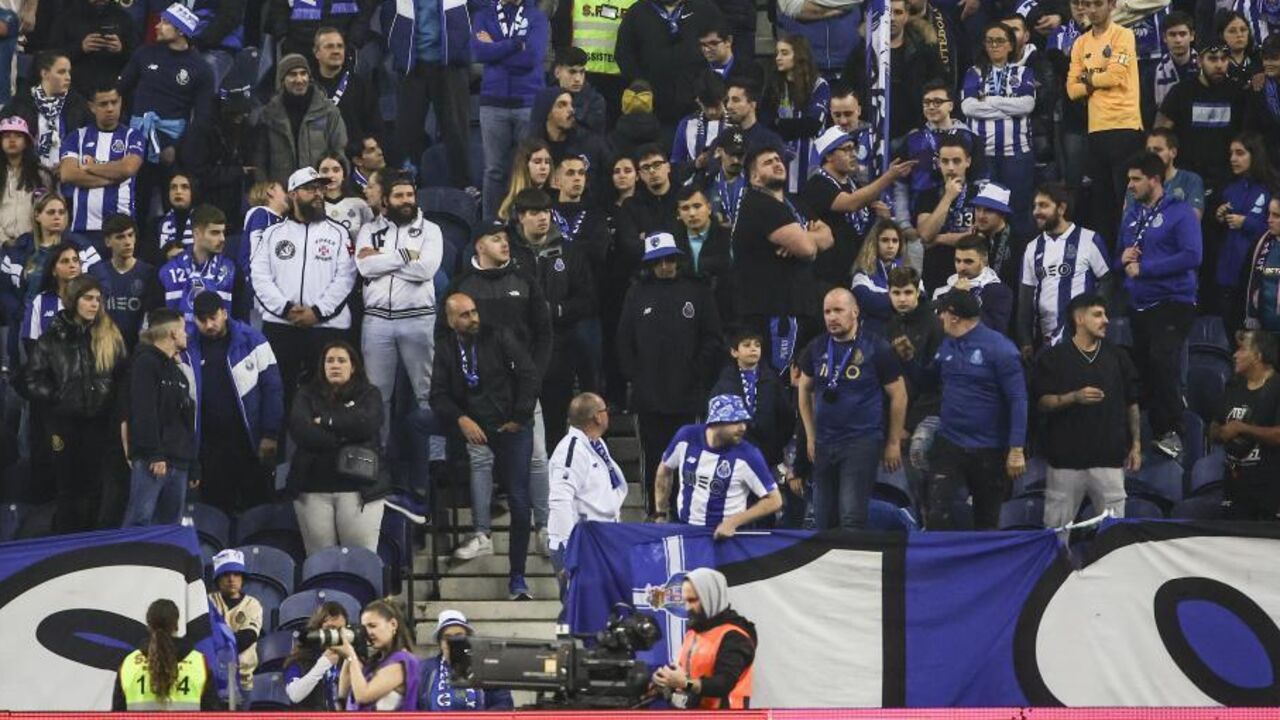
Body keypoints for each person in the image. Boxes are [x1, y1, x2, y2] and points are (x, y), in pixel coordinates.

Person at [429, 292, 539, 598]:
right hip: (477, 427)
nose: (473, 318)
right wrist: (462, 419)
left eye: (474, 311)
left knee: (519, 501)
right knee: (423, 426)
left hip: (511, 425)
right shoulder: (446, 348)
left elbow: (529, 374)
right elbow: (437, 394)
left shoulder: (499, 336)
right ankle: (480, 532)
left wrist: (519, 416)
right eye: (464, 315)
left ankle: (517, 576)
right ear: (450, 320)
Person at [617, 234, 723, 517]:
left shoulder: (697, 291)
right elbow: (624, 340)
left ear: (677, 259)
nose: (665, 266)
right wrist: (635, 376)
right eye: (658, 261)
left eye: (669, 260)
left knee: (691, 456)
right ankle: (655, 512)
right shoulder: (637, 293)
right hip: (649, 395)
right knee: (654, 457)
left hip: (687, 393)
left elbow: (712, 337)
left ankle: (688, 513)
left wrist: (697, 371)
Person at [18, 274, 127, 532]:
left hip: (100, 424)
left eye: (98, 299)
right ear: (73, 300)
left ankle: (91, 542)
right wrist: (56, 395)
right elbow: (28, 380)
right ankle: (65, 540)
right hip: (63, 424)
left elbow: (124, 376)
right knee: (67, 488)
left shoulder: (110, 335)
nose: (94, 304)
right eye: (88, 298)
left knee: (96, 487)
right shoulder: (51, 338)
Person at [797, 288, 907, 530]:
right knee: (823, 519)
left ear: (855, 312)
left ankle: (851, 556)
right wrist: (810, 435)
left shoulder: (877, 347)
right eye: (827, 312)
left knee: (851, 517)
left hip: (861, 440)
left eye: (838, 310)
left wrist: (893, 442)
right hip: (825, 442)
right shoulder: (816, 347)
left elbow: (899, 395)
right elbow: (804, 389)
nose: (832, 317)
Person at [251, 167, 357, 415]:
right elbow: (259, 276)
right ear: (293, 194)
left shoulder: (339, 233)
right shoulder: (272, 234)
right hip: (281, 326)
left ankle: (324, 440)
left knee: (327, 396)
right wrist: (285, 309)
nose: (318, 194)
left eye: (320, 188)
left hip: (326, 327)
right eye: (310, 189)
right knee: (278, 393)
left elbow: (346, 277)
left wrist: (317, 312)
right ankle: (276, 439)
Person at [1118, 151, 1202, 459]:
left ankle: (1174, 432)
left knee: (1162, 360)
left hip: (1173, 301)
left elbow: (1193, 256)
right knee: (1142, 369)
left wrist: (1146, 269)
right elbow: (1121, 258)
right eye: (1129, 179)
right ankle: (1149, 435)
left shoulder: (1180, 213)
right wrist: (1122, 259)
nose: (1130, 185)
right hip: (1139, 305)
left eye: (1136, 179)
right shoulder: (1132, 215)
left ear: (1154, 180)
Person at [923, 290, 1028, 530]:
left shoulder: (1001, 349)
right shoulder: (946, 344)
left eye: (942, 312)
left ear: (954, 317)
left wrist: (1016, 448)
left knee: (986, 520)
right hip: (950, 442)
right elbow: (926, 383)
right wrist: (908, 361)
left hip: (989, 448)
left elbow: (1018, 399)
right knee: (938, 512)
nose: (939, 317)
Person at [1035, 293, 1142, 528]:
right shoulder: (1054, 358)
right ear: (1079, 319)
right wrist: (1073, 397)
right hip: (1065, 462)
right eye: (1098, 315)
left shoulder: (1119, 356)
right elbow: (1042, 402)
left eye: (1105, 315)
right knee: (1056, 533)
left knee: (1114, 535)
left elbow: (1132, 403)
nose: (1106, 320)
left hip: (1109, 460)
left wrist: (1135, 444)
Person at [355, 172, 444, 442]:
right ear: (385, 200)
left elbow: (425, 270)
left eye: (410, 195)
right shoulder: (368, 230)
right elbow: (364, 267)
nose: (406, 201)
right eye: (399, 196)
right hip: (377, 321)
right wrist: (405, 256)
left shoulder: (431, 230)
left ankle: (436, 459)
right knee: (376, 395)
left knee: (428, 392)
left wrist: (381, 260)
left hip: (419, 319)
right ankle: (375, 454)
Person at [731, 145, 832, 372]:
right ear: (755, 177)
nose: (777, 163)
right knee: (779, 378)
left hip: (798, 307)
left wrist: (801, 237)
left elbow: (829, 237)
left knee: (800, 377)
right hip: (773, 312)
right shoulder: (760, 204)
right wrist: (806, 239)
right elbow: (808, 250)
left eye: (778, 159)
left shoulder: (793, 203)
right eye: (768, 162)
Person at [508, 188, 595, 449]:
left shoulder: (570, 252)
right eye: (535, 212)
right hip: (517, 350)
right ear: (520, 216)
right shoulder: (508, 251)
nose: (543, 218)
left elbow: (587, 300)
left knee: (555, 423)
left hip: (559, 350)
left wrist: (555, 310)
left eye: (546, 211)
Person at [186, 292, 284, 515]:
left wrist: (270, 434)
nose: (209, 325)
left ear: (224, 313)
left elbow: (273, 389)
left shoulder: (252, 340)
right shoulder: (188, 346)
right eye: (202, 320)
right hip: (209, 446)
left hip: (249, 442)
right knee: (216, 511)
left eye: (213, 318)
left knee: (257, 509)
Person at [287, 341, 386, 555]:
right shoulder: (305, 394)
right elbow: (301, 431)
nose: (335, 365)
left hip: (359, 491)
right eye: (329, 360)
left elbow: (367, 424)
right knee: (319, 562)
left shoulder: (369, 394)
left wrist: (324, 421)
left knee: (359, 560)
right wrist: (347, 436)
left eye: (341, 360)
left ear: (353, 366)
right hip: (312, 490)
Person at [117, 4, 214, 214]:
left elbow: (202, 118)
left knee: (173, 207)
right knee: (135, 204)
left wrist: (177, 149)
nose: (157, 26)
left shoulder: (201, 69)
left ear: (181, 30)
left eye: (165, 22)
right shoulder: (144, 54)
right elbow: (119, 90)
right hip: (137, 140)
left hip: (172, 145)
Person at [1066, 0, 1143, 244]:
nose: (1091, 10)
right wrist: (1097, 78)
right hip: (1096, 130)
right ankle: (1106, 260)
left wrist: (1088, 78)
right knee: (1102, 204)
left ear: (1111, 5)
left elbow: (1115, 76)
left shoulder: (1123, 35)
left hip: (1125, 127)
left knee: (1127, 200)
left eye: (1098, 4)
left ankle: (1129, 255)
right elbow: (1072, 90)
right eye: (1087, 5)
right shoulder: (1080, 43)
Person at [654, 394, 783, 531]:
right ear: (716, 422)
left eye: (744, 421)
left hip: (725, 536)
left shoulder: (748, 454)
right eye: (735, 421)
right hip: (686, 529)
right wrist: (660, 513)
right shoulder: (686, 437)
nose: (743, 428)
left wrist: (733, 522)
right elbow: (664, 470)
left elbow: (774, 500)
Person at [803, 127, 909, 291]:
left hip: (855, 274)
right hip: (827, 277)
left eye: (854, 149)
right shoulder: (817, 184)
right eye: (846, 149)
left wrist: (883, 217)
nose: (853, 154)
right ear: (829, 156)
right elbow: (850, 203)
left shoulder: (855, 186)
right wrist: (888, 177)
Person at [472, 0, 549, 221]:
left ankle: (526, 222)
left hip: (528, 102)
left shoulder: (536, 17)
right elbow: (479, 52)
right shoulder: (483, 15)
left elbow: (532, 58)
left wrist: (495, 47)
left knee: (527, 169)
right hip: (492, 102)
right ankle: (491, 226)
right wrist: (515, 44)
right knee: (494, 170)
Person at [1018, 183, 1112, 354]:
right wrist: (1025, 340)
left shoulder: (1089, 240)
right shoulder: (1032, 248)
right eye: (1035, 206)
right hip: (1045, 341)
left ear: (1061, 208)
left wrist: (1094, 318)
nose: (1036, 212)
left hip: (1081, 338)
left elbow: (1107, 280)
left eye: (1043, 205)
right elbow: (1026, 296)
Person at [961, 21, 1037, 232]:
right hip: (983, 154)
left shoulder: (1024, 72)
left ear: (1010, 45)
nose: (994, 45)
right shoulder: (974, 73)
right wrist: (1009, 108)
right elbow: (968, 107)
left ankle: (1017, 251)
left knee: (1018, 211)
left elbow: (1027, 105)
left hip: (1017, 154)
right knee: (984, 212)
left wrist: (990, 100)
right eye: (990, 41)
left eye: (1000, 41)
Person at [124, 307, 196, 526]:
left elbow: (187, 420)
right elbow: (143, 411)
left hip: (179, 461)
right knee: (140, 522)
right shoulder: (145, 363)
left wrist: (193, 462)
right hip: (153, 461)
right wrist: (154, 454)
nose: (186, 334)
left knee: (170, 527)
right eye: (183, 329)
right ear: (173, 333)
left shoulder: (178, 371)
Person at [650, 567, 756, 709]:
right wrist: (667, 679)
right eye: (685, 601)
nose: (687, 607)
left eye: (693, 600)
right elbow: (685, 672)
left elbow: (723, 684)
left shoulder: (735, 636)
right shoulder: (695, 630)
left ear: (710, 596)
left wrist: (685, 683)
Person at [546, 393, 628, 576]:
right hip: (581, 544)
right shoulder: (571, 451)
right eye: (605, 410)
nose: (608, 414)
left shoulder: (596, 444)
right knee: (581, 596)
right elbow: (559, 500)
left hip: (600, 539)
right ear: (597, 417)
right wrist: (570, 549)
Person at [614, 0, 725, 129]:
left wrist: (706, 87)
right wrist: (641, 84)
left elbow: (722, 50)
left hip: (697, 107)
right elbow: (623, 53)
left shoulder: (706, 10)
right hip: (653, 110)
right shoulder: (638, 11)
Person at [1155, 41, 1244, 194]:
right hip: (1186, 179)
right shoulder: (1181, 92)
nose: (1219, 65)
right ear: (1199, 61)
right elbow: (1160, 134)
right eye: (1212, 59)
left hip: (1228, 179)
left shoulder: (1237, 92)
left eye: (1224, 59)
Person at [57, 84, 144, 241]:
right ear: (92, 107)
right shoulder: (77, 137)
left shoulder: (133, 136)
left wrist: (90, 167)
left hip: (122, 230)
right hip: (83, 230)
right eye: (103, 104)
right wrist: (114, 177)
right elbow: (68, 174)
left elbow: (128, 168)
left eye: (114, 102)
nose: (110, 108)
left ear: (121, 102)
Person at [1212, 330, 1280, 520]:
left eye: (1242, 349)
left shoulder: (1277, 388)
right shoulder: (1233, 386)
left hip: (1270, 490)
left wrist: (1242, 429)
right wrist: (1220, 432)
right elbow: (1214, 426)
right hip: (1234, 487)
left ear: (1258, 355)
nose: (1235, 355)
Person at [256, 54, 348, 185]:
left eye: (303, 73)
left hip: (320, 189)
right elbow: (260, 160)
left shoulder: (328, 111)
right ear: (282, 80)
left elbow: (339, 152)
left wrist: (334, 185)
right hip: (283, 192)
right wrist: (266, 189)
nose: (299, 79)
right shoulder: (269, 115)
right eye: (292, 74)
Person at [112, 599, 218, 710]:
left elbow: (117, 713)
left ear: (149, 626)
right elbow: (212, 711)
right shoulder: (199, 663)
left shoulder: (129, 664)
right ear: (176, 625)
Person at [710, 327, 792, 470]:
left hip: (767, 455)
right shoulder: (724, 384)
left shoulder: (772, 380)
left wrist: (775, 445)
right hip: (733, 455)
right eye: (747, 345)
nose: (753, 349)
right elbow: (715, 421)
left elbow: (786, 416)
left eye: (757, 345)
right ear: (734, 352)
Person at [1214, 133, 1274, 328]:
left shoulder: (1271, 188)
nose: (1233, 158)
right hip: (1228, 275)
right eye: (1231, 153)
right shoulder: (1230, 189)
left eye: (1240, 153)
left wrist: (1246, 223)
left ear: (1254, 155)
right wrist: (1220, 216)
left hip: (1258, 276)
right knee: (1232, 332)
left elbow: (1274, 229)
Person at [2, 52, 91, 175]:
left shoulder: (78, 105)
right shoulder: (19, 104)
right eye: (61, 72)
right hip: (28, 175)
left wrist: (72, 164)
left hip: (68, 175)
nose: (68, 77)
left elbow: (90, 141)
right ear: (44, 74)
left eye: (69, 72)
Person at [902, 81, 979, 217]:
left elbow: (979, 181)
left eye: (937, 102)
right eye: (927, 102)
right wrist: (904, 223)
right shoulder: (912, 140)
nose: (931, 107)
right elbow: (900, 185)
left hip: (962, 214)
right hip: (918, 214)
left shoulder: (970, 138)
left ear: (951, 105)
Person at [763, 34, 830, 193]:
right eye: (777, 53)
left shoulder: (818, 85)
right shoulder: (774, 85)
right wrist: (785, 125)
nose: (778, 58)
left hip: (810, 160)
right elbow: (766, 123)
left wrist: (780, 124)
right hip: (781, 159)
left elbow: (812, 125)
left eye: (785, 53)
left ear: (799, 55)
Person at [915, 136, 979, 294]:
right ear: (938, 163)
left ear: (968, 162)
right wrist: (948, 197)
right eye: (945, 161)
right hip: (936, 275)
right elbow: (925, 234)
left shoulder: (980, 194)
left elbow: (978, 237)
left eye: (956, 161)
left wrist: (938, 239)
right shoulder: (927, 195)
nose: (950, 168)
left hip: (971, 275)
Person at [418, 610, 513, 711]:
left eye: (458, 637)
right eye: (447, 638)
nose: (453, 643)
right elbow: (415, 707)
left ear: (468, 641)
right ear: (440, 643)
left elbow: (503, 704)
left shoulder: (486, 668)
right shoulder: (424, 668)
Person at [91, 214, 162, 348]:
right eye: (120, 237)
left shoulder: (149, 273)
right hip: (104, 348)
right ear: (107, 241)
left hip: (139, 348)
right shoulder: (96, 273)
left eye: (130, 235)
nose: (128, 242)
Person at [313, 28, 383, 159]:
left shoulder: (362, 86)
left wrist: (360, 149)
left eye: (340, 46)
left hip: (353, 158)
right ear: (317, 52)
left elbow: (375, 129)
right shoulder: (308, 88)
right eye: (329, 46)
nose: (336, 51)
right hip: (314, 158)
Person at [337, 599, 420, 711]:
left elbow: (363, 696)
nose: (368, 633)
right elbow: (343, 695)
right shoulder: (375, 662)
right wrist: (351, 649)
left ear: (393, 624)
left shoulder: (403, 661)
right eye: (364, 628)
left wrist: (351, 656)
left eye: (372, 626)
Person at [160, 204, 238, 321]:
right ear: (197, 234)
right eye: (215, 233)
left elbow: (241, 321)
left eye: (223, 232)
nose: (222, 238)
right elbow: (157, 320)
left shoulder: (232, 270)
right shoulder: (168, 270)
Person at [51, 0, 136, 104]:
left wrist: (121, 49)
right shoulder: (68, 16)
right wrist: (80, 48)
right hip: (76, 90)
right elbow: (52, 56)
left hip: (113, 92)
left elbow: (136, 58)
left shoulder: (123, 17)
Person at [931, 234, 1015, 334]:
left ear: (984, 260)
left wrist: (965, 298)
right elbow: (934, 329)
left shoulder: (998, 292)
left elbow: (995, 331)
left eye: (968, 262)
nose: (961, 267)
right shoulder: (943, 290)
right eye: (958, 261)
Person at [207, 548, 263, 693]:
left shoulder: (252, 604)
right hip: (211, 680)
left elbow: (248, 637)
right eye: (226, 574)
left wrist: (218, 644)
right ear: (218, 578)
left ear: (242, 578)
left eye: (236, 574)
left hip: (243, 681)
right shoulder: (207, 602)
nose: (231, 579)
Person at [283, 601, 349, 710]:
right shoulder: (299, 659)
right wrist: (323, 663)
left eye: (340, 630)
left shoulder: (347, 659)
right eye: (330, 628)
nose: (335, 635)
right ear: (317, 629)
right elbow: (295, 695)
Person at [0, 117, 52, 249]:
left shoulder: (41, 174)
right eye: (6, 136)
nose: (12, 140)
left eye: (18, 136)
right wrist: (4, 240)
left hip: (33, 245)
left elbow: (48, 209)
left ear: (26, 142)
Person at [851, 221, 907, 338]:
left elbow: (921, 301)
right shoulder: (862, 274)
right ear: (874, 242)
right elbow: (869, 302)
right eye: (885, 240)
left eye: (895, 241)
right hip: (870, 339)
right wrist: (903, 302)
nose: (890, 246)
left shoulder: (909, 272)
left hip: (903, 338)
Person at [1137, 128, 1205, 220]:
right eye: (1149, 151)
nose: (1152, 155)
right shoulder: (1138, 181)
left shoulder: (1190, 180)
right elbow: (1129, 222)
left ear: (1173, 152)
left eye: (1158, 150)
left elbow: (1193, 219)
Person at [969, 181, 1026, 287]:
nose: (980, 216)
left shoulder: (1018, 243)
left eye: (988, 210)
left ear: (1002, 213)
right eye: (978, 209)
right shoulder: (974, 238)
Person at [317, 153, 374, 238]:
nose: (330, 175)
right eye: (325, 171)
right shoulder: (314, 206)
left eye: (336, 170)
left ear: (344, 174)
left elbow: (371, 234)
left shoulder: (360, 204)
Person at [722, 80, 785, 157]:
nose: (729, 106)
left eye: (736, 100)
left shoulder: (770, 142)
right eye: (728, 100)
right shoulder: (723, 138)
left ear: (752, 105)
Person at [496, 139, 552, 223]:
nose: (543, 167)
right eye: (537, 162)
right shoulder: (509, 202)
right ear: (524, 166)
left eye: (547, 162)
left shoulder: (555, 197)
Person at [1245, 197, 1280, 333]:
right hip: (1264, 331)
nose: (1269, 220)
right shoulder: (1260, 244)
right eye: (1269, 214)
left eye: (1276, 215)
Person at [1153, 11, 1198, 107]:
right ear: (1164, 38)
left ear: (1192, 36)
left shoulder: (1205, 67)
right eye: (1172, 35)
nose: (1178, 40)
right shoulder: (1152, 73)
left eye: (1183, 34)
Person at [150, 173, 196, 260]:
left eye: (184, 187)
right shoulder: (155, 224)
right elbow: (147, 257)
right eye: (173, 187)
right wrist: (165, 256)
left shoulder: (203, 222)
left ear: (192, 192)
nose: (178, 191)